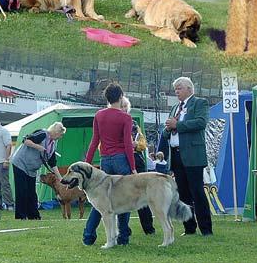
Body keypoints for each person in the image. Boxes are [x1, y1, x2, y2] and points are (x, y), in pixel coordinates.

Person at [83, 83, 136, 246]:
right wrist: (133, 167)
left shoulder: (99, 115)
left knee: (100, 201)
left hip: (105, 160)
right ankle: (123, 237)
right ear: (121, 97)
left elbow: (94, 141)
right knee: (124, 199)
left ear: (107, 98)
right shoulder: (126, 117)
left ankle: (88, 236)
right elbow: (128, 144)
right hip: (121, 160)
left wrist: (87, 163)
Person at [163, 77, 213, 236]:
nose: (176, 91)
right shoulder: (175, 108)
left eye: (179, 88)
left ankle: (206, 228)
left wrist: (178, 125)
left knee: (197, 191)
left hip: (192, 154)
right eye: (175, 89)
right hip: (176, 155)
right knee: (183, 193)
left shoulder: (199, 103)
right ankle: (189, 227)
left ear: (189, 89)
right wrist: (168, 129)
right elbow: (167, 131)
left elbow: (201, 122)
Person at [11, 121, 66, 220]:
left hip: (31, 169)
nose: (60, 137)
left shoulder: (53, 145)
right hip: (20, 163)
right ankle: (21, 216)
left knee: (32, 192)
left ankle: (34, 215)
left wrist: (60, 178)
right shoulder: (42, 134)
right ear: (56, 132)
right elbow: (26, 140)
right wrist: (38, 147)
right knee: (22, 190)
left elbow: (52, 163)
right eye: (60, 135)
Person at [120, 96, 155, 235]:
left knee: (142, 195)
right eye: (120, 106)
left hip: (137, 160)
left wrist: (137, 145)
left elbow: (143, 143)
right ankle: (124, 229)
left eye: (125, 106)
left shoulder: (134, 124)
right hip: (121, 160)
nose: (123, 108)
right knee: (122, 196)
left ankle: (148, 228)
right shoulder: (112, 123)